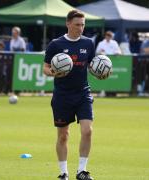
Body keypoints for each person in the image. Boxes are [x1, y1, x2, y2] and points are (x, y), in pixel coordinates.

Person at [43, 10, 108, 180]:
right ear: (68, 24)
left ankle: (81, 171)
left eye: (83, 25)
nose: (81, 28)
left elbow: (93, 65)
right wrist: (54, 73)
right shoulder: (56, 44)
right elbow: (45, 68)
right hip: (62, 95)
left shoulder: (88, 43)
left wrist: (99, 73)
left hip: (83, 93)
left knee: (87, 131)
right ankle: (63, 173)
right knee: (63, 135)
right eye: (77, 24)